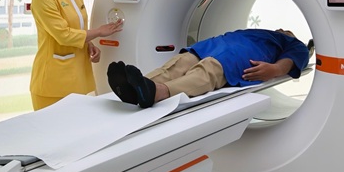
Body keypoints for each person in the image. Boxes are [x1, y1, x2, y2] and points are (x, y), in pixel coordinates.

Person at [30, 0, 123, 110]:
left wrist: (89, 44)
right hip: (53, 84)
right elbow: (63, 35)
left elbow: (78, 27)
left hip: (79, 78)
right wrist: (99, 32)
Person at [107, 28, 311, 108]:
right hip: (210, 46)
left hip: (238, 56)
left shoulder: (291, 43)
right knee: (178, 64)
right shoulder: (260, 31)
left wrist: (274, 70)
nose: (283, 30)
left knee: (208, 70)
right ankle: (136, 86)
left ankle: (157, 92)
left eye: (288, 31)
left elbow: (291, 61)